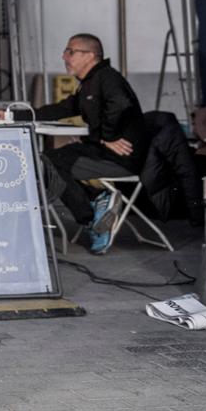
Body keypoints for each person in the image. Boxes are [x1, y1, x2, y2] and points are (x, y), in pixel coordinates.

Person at [35, 33, 147, 254]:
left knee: (50, 164)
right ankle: (97, 203)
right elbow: (63, 109)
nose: (64, 56)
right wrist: (14, 115)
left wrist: (108, 136)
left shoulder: (107, 78)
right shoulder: (88, 84)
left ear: (90, 56)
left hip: (121, 158)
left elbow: (121, 103)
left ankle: (92, 218)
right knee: (51, 160)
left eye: (71, 52)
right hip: (103, 152)